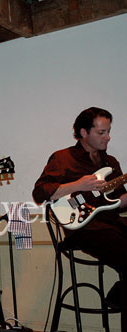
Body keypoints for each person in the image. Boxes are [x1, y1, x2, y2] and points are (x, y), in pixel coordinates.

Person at [33, 107, 127, 330]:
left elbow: (120, 200)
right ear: (84, 132)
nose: (108, 137)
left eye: (108, 132)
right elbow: (40, 193)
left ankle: (118, 295)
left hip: (112, 225)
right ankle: (117, 295)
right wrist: (78, 185)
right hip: (84, 231)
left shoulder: (111, 163)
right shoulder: (63, 158)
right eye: (102, 132)